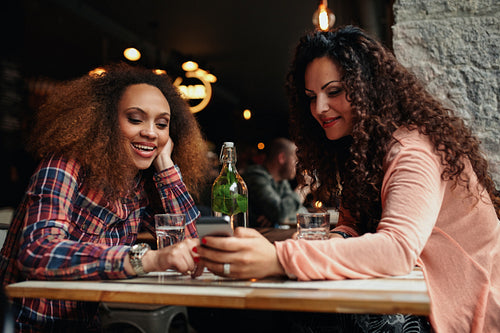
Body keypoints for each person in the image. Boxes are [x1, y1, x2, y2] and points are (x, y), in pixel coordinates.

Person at [195, 26, 500, 332]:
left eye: (334, 91)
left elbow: (396, 250)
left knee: (282, 315)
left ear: (368, 87)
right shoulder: (365, 151)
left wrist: (279, 257)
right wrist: (325, 242)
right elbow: (351, 226)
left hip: (465, 305)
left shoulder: (411, 151)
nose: (319, 109)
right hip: (422, 292)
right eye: (311, 97)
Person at [0, 62, 207, 332]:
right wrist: (146, 259)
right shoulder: (64, 165)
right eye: (135, 118)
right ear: (105, 121)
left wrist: (165, 164)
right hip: (27, 324)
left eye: (162, 124)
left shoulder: (142, 185)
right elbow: (37, 252)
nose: (151, 132)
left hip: (87, 323)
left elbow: (189, 245)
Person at [243, 138, 308, 228]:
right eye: (295, 160)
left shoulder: (282, 181)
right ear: (282, 158)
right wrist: (303, 189)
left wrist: (273, 217)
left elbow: (298, 211)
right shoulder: (256, 176)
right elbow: (281, 213)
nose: (297, 165)